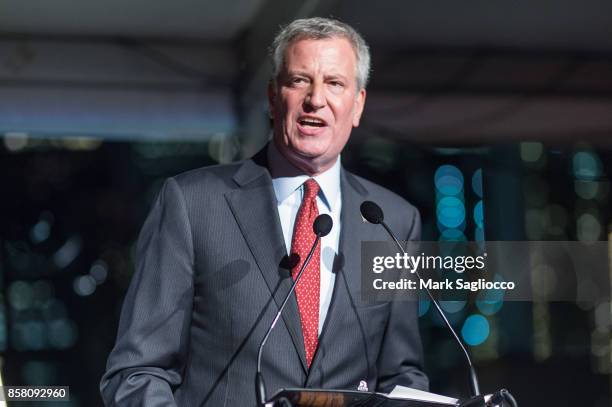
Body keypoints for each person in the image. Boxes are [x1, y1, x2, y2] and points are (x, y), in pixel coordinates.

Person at [100, 17, 428, 406]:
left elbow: (401, 374)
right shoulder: (193, 204)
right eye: (300, 80)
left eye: (335, 83)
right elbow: (137, 372)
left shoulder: (391, 221)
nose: (316, 99)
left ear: (357, 105)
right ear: (273, 98)